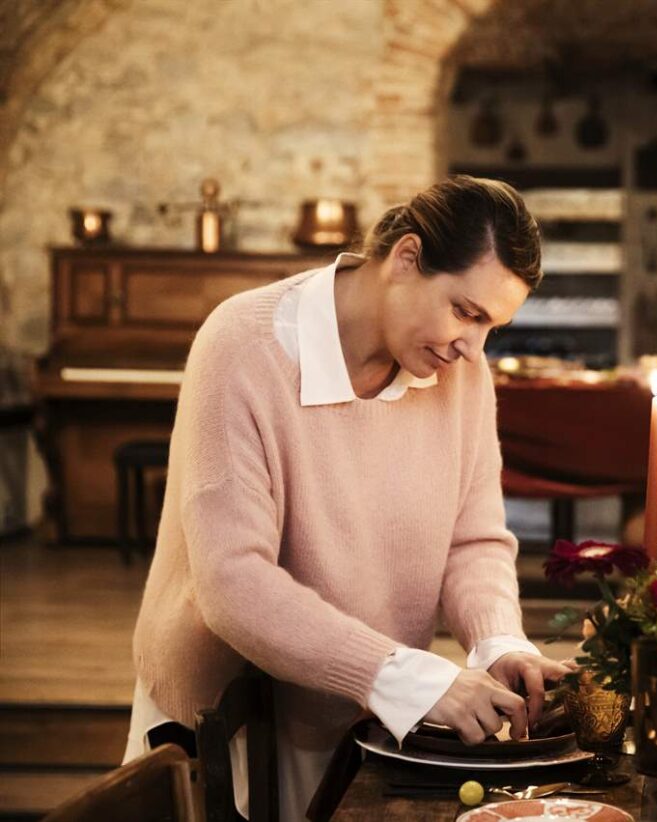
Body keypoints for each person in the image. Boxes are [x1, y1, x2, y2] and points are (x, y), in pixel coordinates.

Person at [124, 176, 570, 819]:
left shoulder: (461, 375)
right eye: (466, 312)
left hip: (362, 710)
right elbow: (232, 582)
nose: (473, 347)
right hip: (223, 720)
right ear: (406, 259)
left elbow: (473, 540)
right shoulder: (244, 347)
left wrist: (500, 641)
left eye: (491, 326)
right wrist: (408, 677)